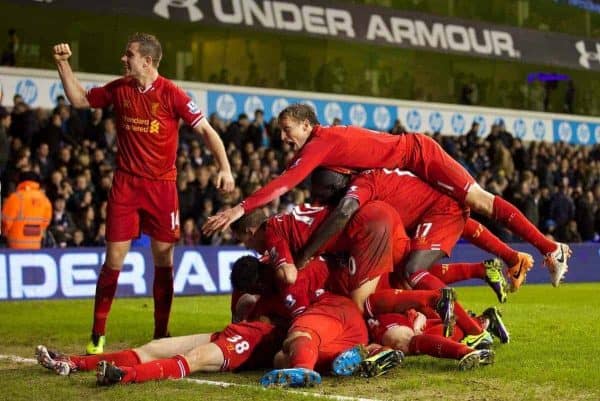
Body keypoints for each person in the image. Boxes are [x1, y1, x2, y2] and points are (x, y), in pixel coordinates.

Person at [203, 104, 569, 288]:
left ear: (306, 125)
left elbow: (287, 181)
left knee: (479, 201)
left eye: (287, 131)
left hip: (419, 155)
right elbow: (289, 177)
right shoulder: (318, 147)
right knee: (452, 212)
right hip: (401, 172)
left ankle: (550, 249)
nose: (283, 138)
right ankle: (513, 257)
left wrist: (240, 208)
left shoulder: (320, 141)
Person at [52, 33, 234, 354]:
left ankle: (161, 334)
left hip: (162, 188)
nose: (124, 59)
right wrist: (63, 64)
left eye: (129, 55)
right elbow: (80, 99)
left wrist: (225, 168)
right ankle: (97, 335)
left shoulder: (172, 94)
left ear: (147, 62)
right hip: (126, 185)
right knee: (114, 259)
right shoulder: (119, 89)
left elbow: (207, 130)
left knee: (164, 259)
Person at [35, 256, 289, 385]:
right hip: (235, 332)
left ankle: (123, 375)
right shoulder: (266, 285)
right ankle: (73, 362)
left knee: (195, 359)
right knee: (153, 348)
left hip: (250, 342)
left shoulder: (289, 288)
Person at [1, 171, 52, 249]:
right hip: (35, 245)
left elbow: (6, 222)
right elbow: (46, 222)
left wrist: (4, 235)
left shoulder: (15, 198)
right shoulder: (45, 199)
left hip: (14, 246)